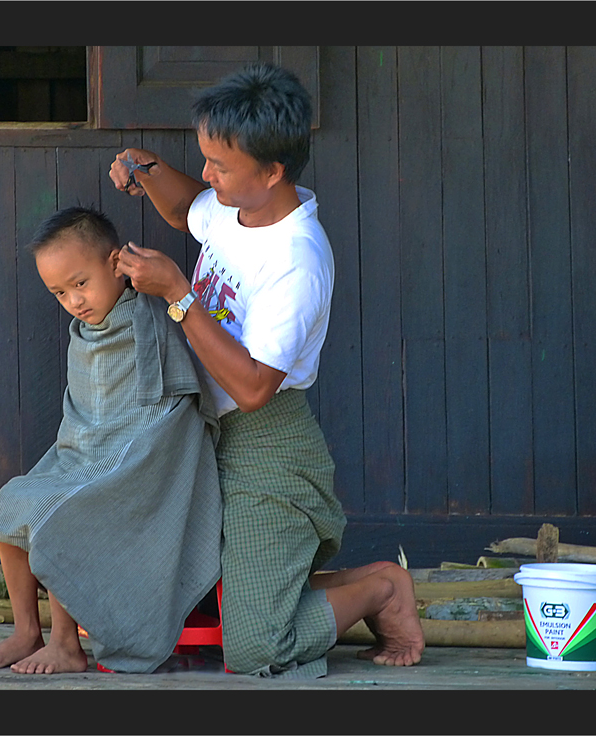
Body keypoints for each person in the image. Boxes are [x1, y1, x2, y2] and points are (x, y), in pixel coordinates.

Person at [108, 62, 425, 678]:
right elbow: (186, 213)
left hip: (267, 444)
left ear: (273, 172)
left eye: (218, 165)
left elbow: (253, 388)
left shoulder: (297, 261)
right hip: (202, 430)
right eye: (205, 158)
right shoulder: (235, 208)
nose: (205, 175)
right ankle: (310, 583)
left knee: (257, 649)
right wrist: (145, 170)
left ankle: (382, 588)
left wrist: (179, 294)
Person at [0, 206, 222, 675]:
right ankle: (28, 631)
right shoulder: (82, 334)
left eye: (80, 283)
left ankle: (66, 644)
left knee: (61, 516)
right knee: (13, 500)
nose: (74, 301)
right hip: (84, 456)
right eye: (59, 292)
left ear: (114, 264)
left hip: (140, 463)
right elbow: (86, 416)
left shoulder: (148, 317)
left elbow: (171, 409)